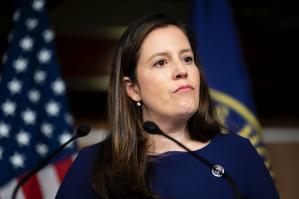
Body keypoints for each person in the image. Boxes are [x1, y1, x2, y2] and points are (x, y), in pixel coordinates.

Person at [55, 14, 279, 199]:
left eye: (187, 59)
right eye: (161, 62)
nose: (182, 70)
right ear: (133, 89)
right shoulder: (93, 165)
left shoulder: (240, 153)